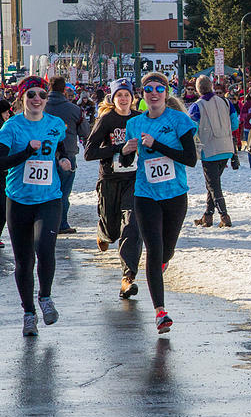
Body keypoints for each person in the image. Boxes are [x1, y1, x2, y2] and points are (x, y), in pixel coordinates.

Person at [120, 72, 197, 334]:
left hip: (175, 195)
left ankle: (159, 266)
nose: (153, 93)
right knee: (153, 250)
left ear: (166, 93)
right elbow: (129, 163)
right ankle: (160, 313)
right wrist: (126, 152)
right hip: (145, 195)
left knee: (166, 251)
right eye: (148, 89)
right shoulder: (134, 124)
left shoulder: (178, 120)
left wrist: (158, 144)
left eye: (159, 89)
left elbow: (190, 159)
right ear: (142, 94)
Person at [0, 77, 70, 335]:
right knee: (23, 261)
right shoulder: (11, 127)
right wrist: (27, 152)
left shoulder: (55, 124)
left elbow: (59, 150)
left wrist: (62, 160)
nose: (37, 99)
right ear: (22, 98)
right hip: (18, 200)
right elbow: (2, 161)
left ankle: (45, 297)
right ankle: (28, 313)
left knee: (45, 247)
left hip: (49, 199)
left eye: (42, 94)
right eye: (31, 95)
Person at [83, 78, 144, 299]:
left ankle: (128, 279)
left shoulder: (139, 119)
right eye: (119, 95)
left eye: (127, 94)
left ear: (132, 97)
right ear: (113, 98)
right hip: (110, 179)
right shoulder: (107, 120)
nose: (124, 99)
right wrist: (120, 147)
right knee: (112, 230)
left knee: (132, 226)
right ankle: (103, 232)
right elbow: (89, 153)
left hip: (134, 180)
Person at [188, 74, 239, 228]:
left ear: (197, 90)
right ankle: (208, 216)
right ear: (211, 86)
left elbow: (191, 128)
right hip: (226, 148)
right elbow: (235, 125)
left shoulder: (196, 106)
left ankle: (224, 216)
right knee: (212, 183)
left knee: (213, 186)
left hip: (209, 150)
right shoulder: (226, 102)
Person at [44, 75, 89, 234]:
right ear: (64, 90)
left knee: (46, 190)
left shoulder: (42, 107)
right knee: (63, 191)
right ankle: (61, 223)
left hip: (44, 154)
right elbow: (84, 131)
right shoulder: (74, 109)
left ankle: (45, 223)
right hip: (68, 153)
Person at [0, 98, 11, 248]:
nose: (8, 114)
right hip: (2, 173)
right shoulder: (4, 129)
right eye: (6, 111)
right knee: (2, 207)